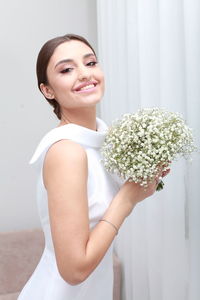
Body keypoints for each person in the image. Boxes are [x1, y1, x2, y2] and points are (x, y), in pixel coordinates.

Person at [18, 34, 169, 300]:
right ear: (48, 90)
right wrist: (128, 197)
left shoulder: (101, 137)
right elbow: (74, 270)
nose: (85, 74)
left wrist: (143, 184)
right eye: (66, 69)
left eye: (90, 63)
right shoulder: (67, 151)